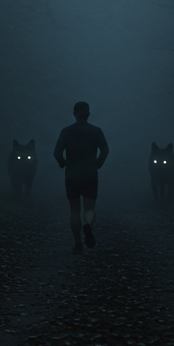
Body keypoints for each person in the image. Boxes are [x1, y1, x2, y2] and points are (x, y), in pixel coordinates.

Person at [53, 101, 109, 254]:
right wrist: (98, 164)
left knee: (74, 210)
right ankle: (88, 225)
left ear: (74, 114)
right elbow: (105, 150)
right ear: (88, 114)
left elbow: (57, 152)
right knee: (89, 208)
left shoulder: (66, 131)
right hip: (90, 174)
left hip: (72, 175)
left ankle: (78, 243)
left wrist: (63, 163)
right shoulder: (96, 131)